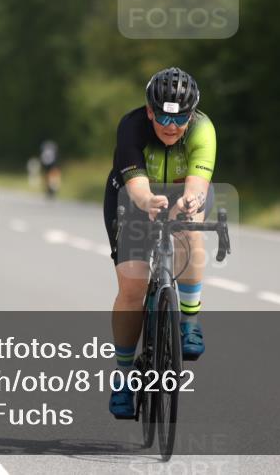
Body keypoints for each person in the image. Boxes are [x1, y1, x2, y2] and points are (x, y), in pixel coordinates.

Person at [102, 67, 216, 418]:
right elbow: (136, 186)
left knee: (190, 227)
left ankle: (190, 322)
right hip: (132, 198)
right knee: (133, 286)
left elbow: (198, 185)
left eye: (180, 116)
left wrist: (190, 203)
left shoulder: (203, 129)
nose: (171, 124)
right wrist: (148, 201)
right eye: (163, 115)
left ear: (191, 114)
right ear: (150, 110)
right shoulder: (132, 126)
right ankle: (123, 378)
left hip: (183, 195)